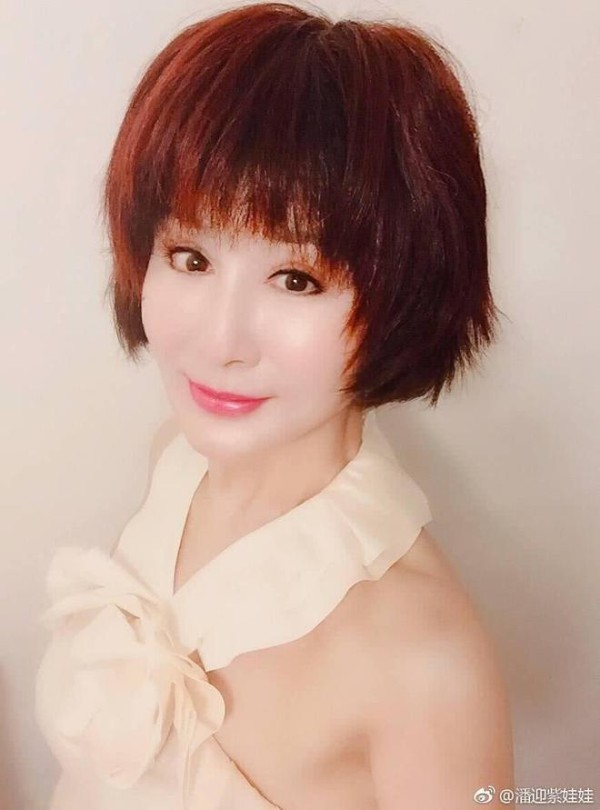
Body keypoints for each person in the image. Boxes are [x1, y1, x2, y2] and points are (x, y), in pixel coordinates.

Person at [34, 2, 515, 808]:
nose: (221, 340)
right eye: (189, 256)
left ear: (407, 293)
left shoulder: (423, 664)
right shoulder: (178, 462)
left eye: (297, 279)